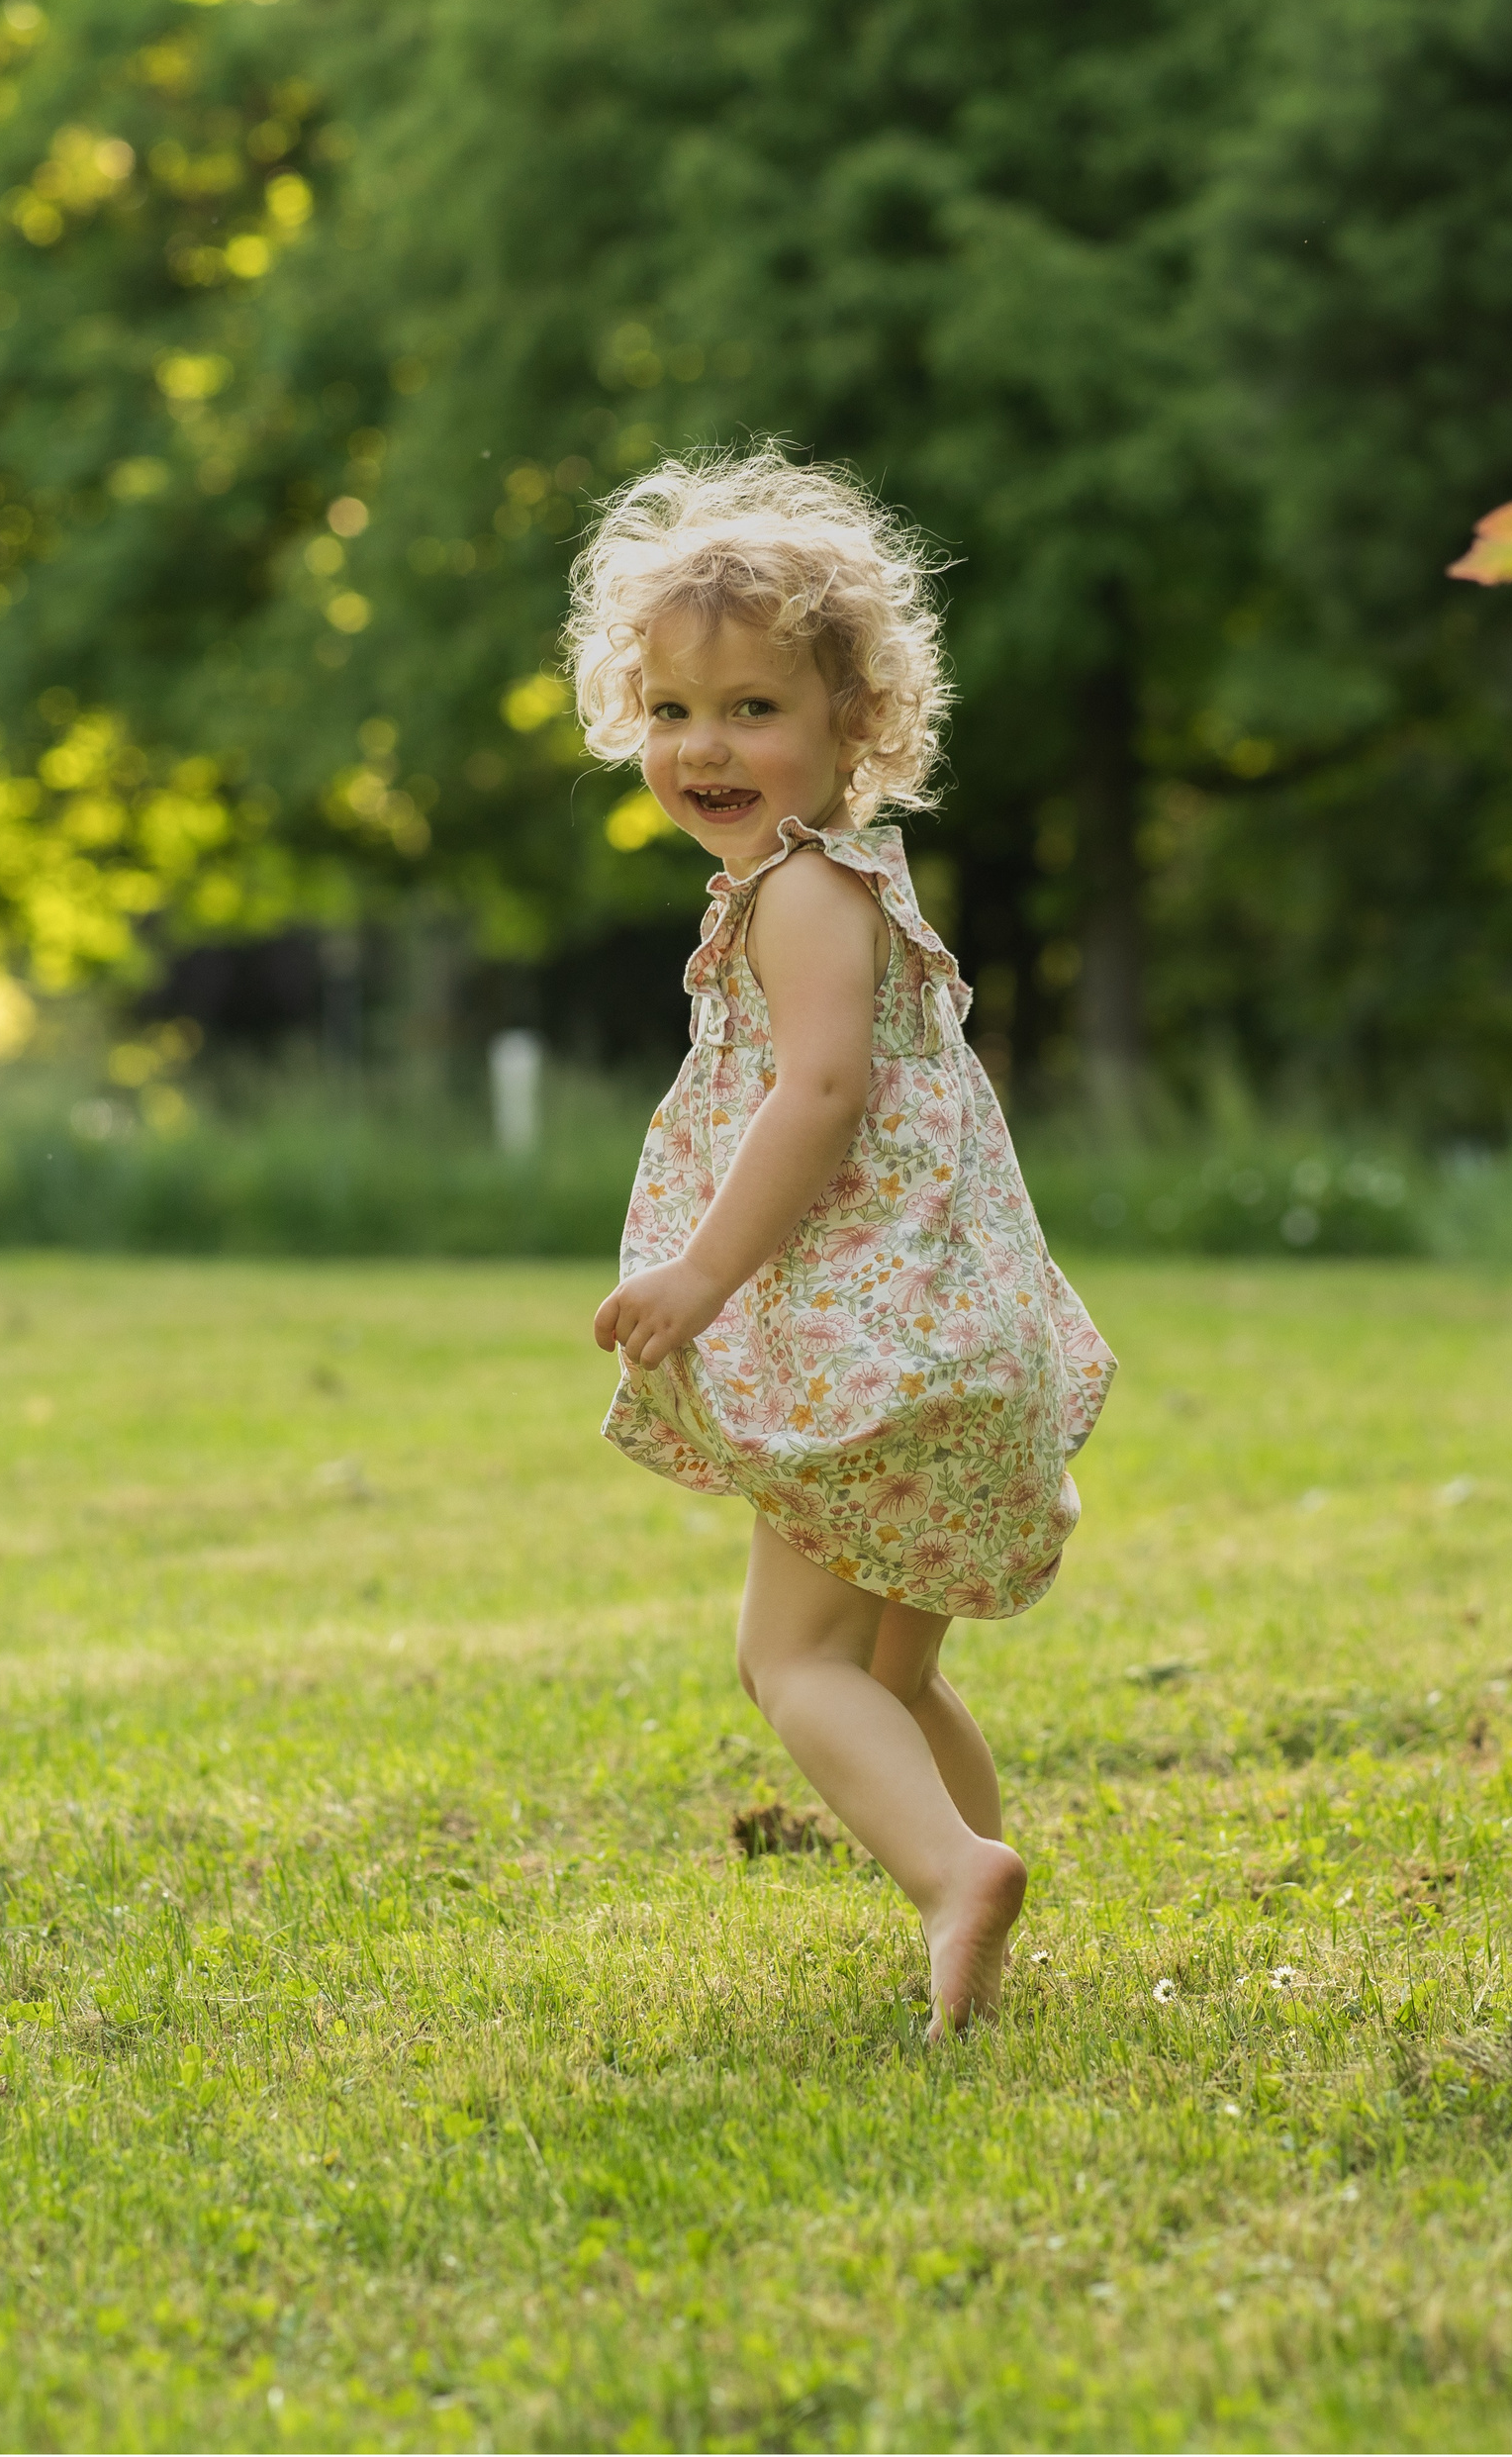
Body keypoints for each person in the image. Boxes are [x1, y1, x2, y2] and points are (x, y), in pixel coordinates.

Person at [570, 449, 1116, 2034]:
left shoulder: (806, 893)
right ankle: (976, 1901)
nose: (706, 747)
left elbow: (819, 1096)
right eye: (673, 712)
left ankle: (955, 1875)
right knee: (888, 1675)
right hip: (950, 1346)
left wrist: (697, 1275)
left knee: (790, 1665)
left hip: (866, 1369)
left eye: (754, 709)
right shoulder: (846, 880)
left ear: (852, 725)